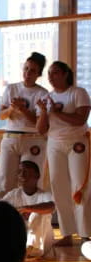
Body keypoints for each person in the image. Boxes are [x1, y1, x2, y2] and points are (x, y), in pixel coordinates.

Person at [36, 61, 91, 247]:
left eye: (56, 73)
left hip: (77, 143)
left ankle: (86, 233)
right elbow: (41, 129)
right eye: (49, 73)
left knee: (80, 186)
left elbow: (80, 119)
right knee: (58, 187)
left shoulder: (78, 93)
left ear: (66, 74)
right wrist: (44, 112)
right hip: (54, 144)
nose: (51, 77)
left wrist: (55, 112)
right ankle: (67, 233)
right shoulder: (47, 97)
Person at [0, 52, 48, 200]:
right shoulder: (11, 89)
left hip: (33, 138)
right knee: (5, 181)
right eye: (26, 68)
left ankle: (33, 220)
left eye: (32, 70)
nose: (28, 73)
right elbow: (1, 115)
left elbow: (39, 123)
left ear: (38, 74)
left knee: (31, 182)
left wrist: (23, 109)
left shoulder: (42, 93)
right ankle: (1, 219)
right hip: (10, 137)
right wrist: (12, 108)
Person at [2, 160, 55, 260]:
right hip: (21, 240)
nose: (22, 174)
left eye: (26, 171)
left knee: (37, 214)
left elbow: (51, 206)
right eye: (19, 172)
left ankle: (32, 249)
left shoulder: (44, 195)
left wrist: (27, 209)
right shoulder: (13, 194)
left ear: (37, 176)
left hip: (43, 243)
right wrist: (16, 213)